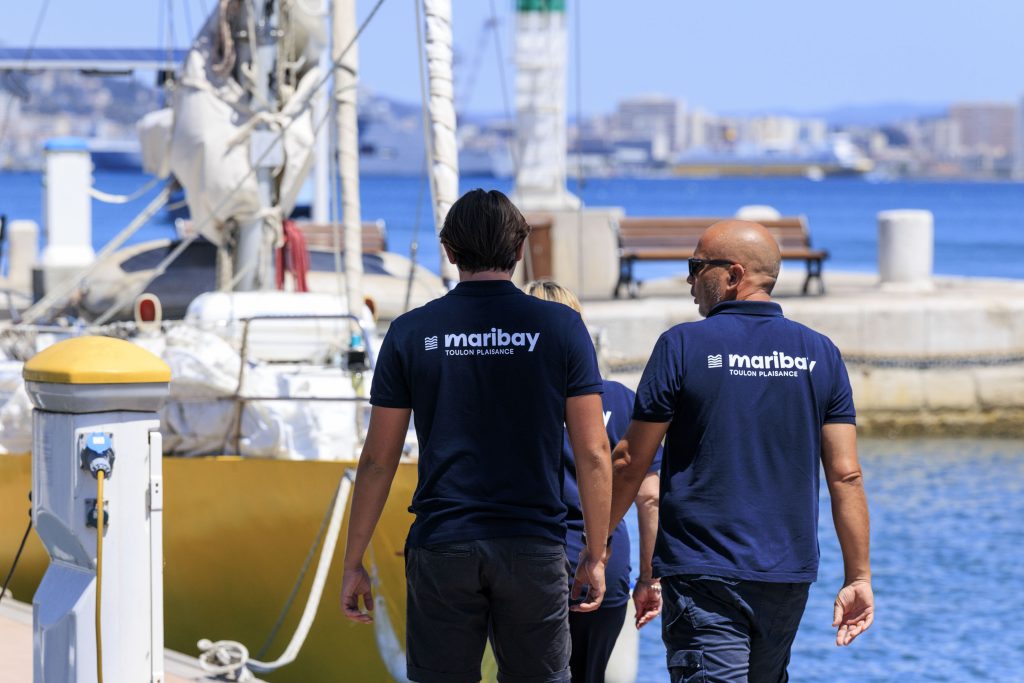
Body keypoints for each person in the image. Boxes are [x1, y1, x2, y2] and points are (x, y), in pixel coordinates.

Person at [340, 189, 612, 683]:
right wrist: (595, 554)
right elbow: (594, 452)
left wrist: (353, 560)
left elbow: (378, 460)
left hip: (444, 543)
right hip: (533, 543)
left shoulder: (410, 332)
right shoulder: (561, 328)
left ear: (448, 250)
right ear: (520, 249)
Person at [599, 220, 874, 683]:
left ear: (733, 274)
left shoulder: (681, 346)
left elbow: (630, 460)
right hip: (786, 575)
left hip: (703, 572)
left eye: (696, 267)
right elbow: (846, 476)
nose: (689, 281)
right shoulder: (821, 353)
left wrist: (596, 543)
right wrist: (859, 576)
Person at [526, 280, 663, 683]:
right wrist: (649, 578)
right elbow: (650, 498)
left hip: (528, 561)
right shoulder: (620, 398)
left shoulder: (510, 399)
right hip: (604, 561)